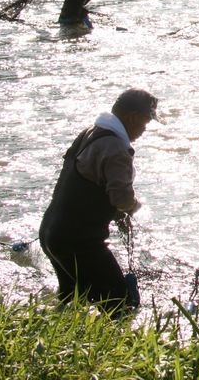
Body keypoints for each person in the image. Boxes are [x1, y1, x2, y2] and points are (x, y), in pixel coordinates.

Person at [38, 88, 158, 317]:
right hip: (79, 243)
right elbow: (122, 199)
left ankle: (56, 336)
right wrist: (136, 209)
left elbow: (88, 188)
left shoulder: (90, 133)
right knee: (119, 303)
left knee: (74, 297)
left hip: (51, 234)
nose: (144, 129)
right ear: (132, 117)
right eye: (145, 122)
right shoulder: (116, 149)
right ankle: (115, 349)